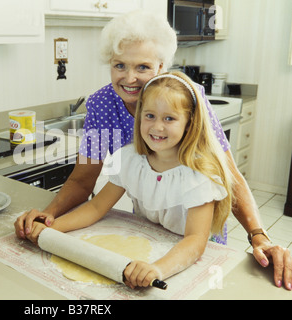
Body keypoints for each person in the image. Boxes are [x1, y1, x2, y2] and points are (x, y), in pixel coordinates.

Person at [14, 10, 292, 290]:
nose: (129, 78)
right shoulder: (103, 108)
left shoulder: (189, 98)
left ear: (161, 67)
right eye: (119, 65)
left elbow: (228, 176)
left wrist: (258, 235)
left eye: (142, 67)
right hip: (149, 234)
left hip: (193, 247)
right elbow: (83, 179)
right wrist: (47, 219)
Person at [23, 72, 234, 288]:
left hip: (187, 259)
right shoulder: (130, 159)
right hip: (157, 242)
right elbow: (96, 207)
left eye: (169, 118)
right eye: (149, 116)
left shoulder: (199, 174)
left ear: (189, 123)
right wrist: (52, 229)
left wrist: (158, 269)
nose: (157, 127)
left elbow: (195, 241)